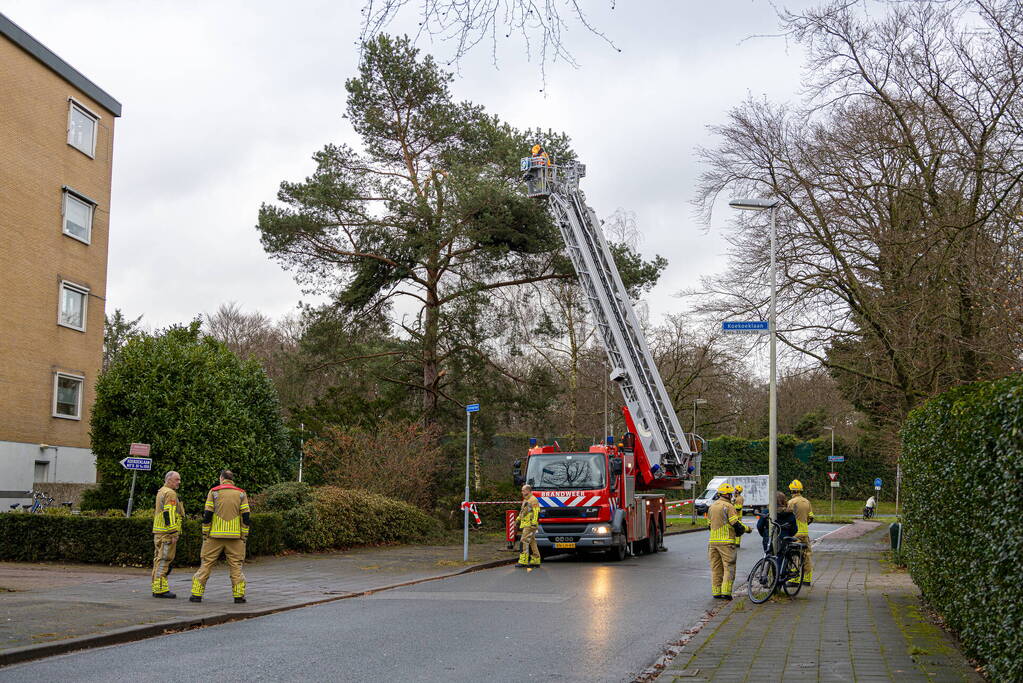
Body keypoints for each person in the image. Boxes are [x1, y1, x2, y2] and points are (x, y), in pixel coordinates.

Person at [190, 470, 250, 603]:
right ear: (232, 479)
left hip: (214, 536)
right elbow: (246, 516)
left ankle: (196, 595)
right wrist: (244, 534)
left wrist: (205, 532)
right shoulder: (241, 493)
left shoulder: (214, 492)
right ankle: (239, 596)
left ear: (221, 478)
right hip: (235, 537)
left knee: (206, 564)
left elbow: (207, 514)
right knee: (236, 566)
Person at [707, 482, 750, 599]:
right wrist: (747, 529)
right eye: (730, 494)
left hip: (713, 543)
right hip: (726, 542)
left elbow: (709, 525)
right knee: (729, 567)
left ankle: (716, 592)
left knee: (716, 568)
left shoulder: (712, 506)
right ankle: (726, 592)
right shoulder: (729, 506)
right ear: (727, 495)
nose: (732, 495)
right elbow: (735, 524)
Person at [151, 470, 184, 598]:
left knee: (158, 560)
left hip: (159, 532)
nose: (179, 482)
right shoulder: (170, 493)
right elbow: (168, 513)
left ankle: (158, 586)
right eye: (177, 479)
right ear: (168, 479)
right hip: (166, 534)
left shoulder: (161, 491)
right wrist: (174, 532)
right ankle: (159, 589)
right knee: (164, 560)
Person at [787, 480, 814, 585]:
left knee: (794, 555)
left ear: (791, 491)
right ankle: (807, 579)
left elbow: (787, 517)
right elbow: (811, 517)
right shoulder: (807, 502)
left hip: (795, 533)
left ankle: (794, 579)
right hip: (805, 533)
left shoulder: (791, 502)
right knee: (806, 555)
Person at [517, 484, 541, 567]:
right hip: (527, 524)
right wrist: (517, 519)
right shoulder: (526, 500)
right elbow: (523, 512)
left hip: (530, 525)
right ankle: (536, 559)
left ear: (528, 491)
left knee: (524, 541)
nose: (522, 492)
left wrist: (534, 523)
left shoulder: (533, 500)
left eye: (523, 490)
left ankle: (523, 560)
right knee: (532, 542)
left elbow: (536, 512)